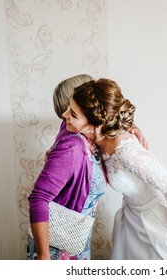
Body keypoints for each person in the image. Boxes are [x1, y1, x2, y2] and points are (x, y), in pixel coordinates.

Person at [62, 78, 167, 259]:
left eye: (73, 114)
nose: (64, 115)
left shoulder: (126, 151)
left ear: (96, 124)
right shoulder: (96, 137)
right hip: (131, 220)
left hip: (157, 224)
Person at [27, 74, 106, 260]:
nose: (65, 116)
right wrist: (44, 257)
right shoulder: (71, 147)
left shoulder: (91, 137)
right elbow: (38, 199)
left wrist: (132, 127)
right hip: (57, 249)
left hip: (76, 240)